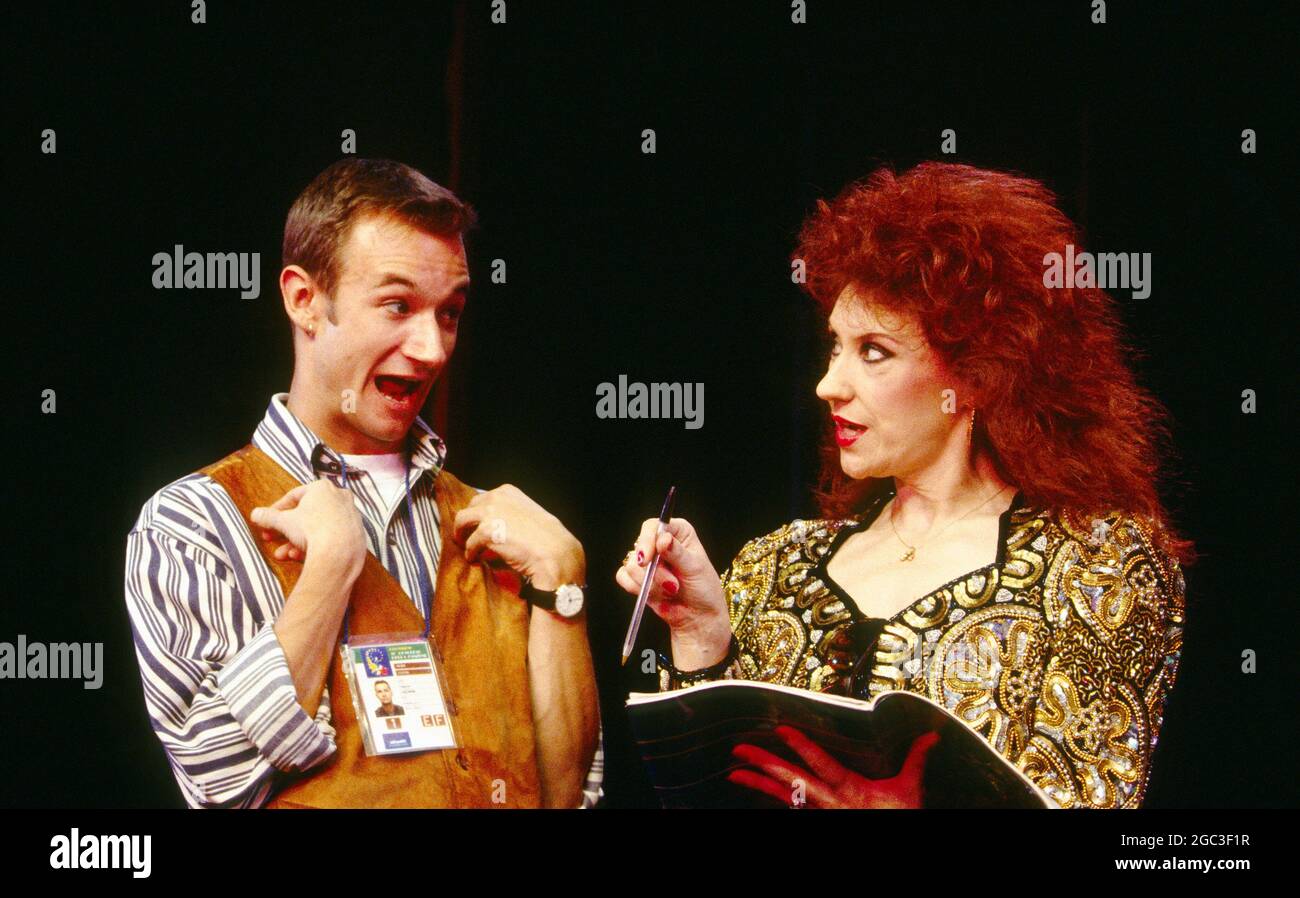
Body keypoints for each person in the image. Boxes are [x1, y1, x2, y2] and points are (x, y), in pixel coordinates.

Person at [616, 162, 1189, 809]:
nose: (829, 384)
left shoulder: (1097, 569)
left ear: (976, 374)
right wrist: (699, 631)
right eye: (836, 347)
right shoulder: (776, 565)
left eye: (875, 352)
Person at [126, 158, 600, 808]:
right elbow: (222, 780)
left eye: (451, 312)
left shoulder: (498, 529)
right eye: (397, 306)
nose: (432, 348)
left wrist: (563, 588)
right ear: (303, 300)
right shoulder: (193, 521)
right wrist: (332, 567)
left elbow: (568, 795)